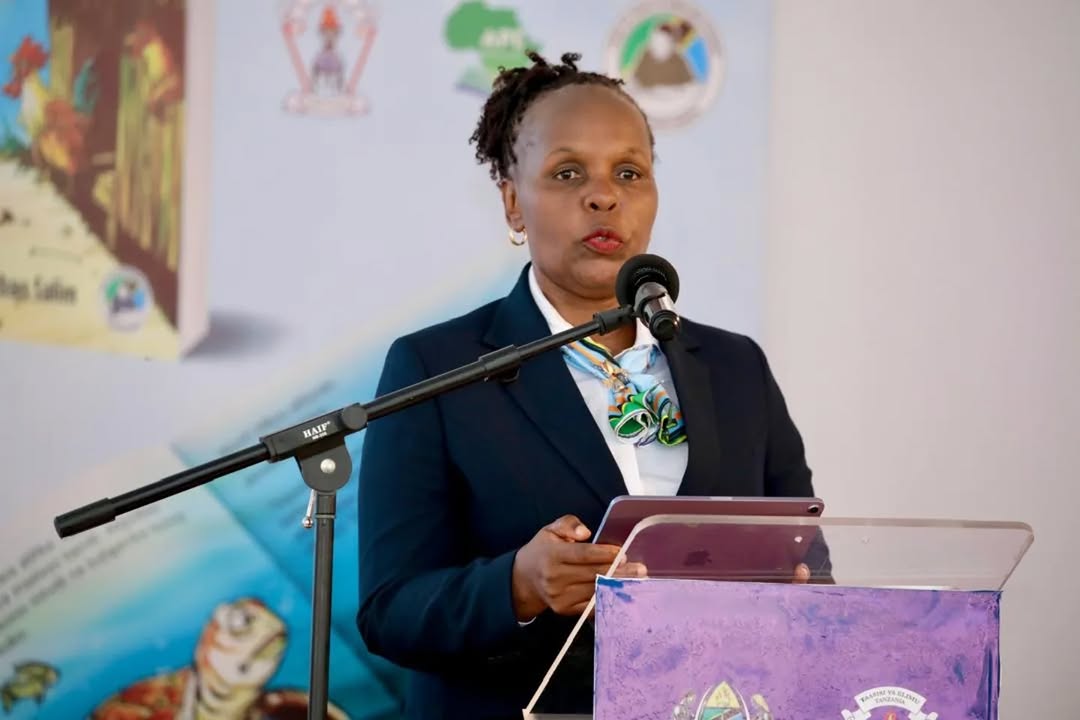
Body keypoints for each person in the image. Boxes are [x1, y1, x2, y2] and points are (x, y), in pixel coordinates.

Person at [355, 51, 817, 719]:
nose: (604, 196)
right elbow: (390, 610)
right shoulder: (437, 369)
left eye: (629, 172)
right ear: (513, 202)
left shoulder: (736, 367)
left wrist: (797, 597)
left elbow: (808, 559)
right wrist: (518, 585)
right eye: (568, 172)